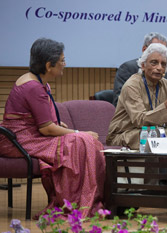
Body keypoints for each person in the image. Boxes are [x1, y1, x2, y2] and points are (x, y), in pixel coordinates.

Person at [0, 38, 105, 218]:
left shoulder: (38, 82)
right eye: (62, 61)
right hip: (18, 140)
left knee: (83, 142)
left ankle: (84, 199)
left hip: (30, 135)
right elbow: (46, 129)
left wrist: (59, 126)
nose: (65, 64)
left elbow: (44, 121)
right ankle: (76, 203)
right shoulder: (32, 86)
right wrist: (79, 132)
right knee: (81, 142)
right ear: (49, 65)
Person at [107, 43, 167, 184]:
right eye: (154, 63)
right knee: (151, 136)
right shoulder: (132, 85)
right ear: (142, 65)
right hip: (125, 133)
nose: (159, 68)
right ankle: (151, 192)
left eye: (163, 64)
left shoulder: (166, 85)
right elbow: (139, 120)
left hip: (155, 130)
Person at [112, 32, 167, 106]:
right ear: (144, 49)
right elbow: (119, 100)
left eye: (164, 51)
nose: (160, 54)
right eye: (156, 50)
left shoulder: (162, 71)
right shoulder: (127, 68)